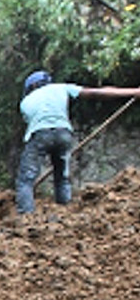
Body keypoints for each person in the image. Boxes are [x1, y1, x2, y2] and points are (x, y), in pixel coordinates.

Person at [16, 70, 140, 214]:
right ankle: (65, 212)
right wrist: (134, 92)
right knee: (62, 176)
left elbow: (33, 122)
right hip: (64, 134)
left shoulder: (25, 102)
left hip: (39, 135)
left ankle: (26, 217)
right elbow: (97, 93)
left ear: (31, 87)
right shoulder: (61, 87)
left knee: (26, 180)